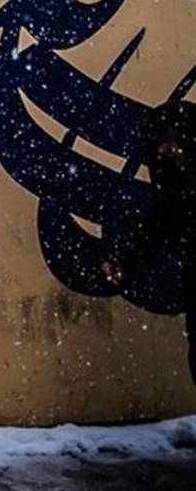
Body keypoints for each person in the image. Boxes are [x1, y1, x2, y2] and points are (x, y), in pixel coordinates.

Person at [101, 99, 195, 384]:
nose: (167, 152)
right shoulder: (172, 180)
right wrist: (124, 261)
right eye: (162, 146)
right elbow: (161, 220)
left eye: (172, 144)